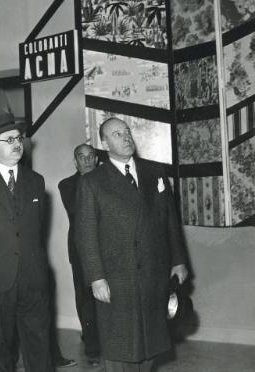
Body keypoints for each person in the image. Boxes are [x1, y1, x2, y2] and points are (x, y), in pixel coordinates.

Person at [75, 117, 189, 372]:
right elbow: (86, 235)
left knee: (150, 346)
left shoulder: (154, 173)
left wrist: (178, 260)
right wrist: (96, 278)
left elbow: (170, 221)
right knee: (121, 348)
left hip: (153, 273)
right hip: (117, 278)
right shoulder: (92, 182)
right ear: (103, 143)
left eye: (127, 132)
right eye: (116, 134)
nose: (126, 137)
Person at [0, 113, 61, 372]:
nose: (16, 143)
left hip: (33, 280)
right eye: (8, 139)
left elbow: (36, 231)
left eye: (18, 138)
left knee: (40, 348)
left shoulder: (36, 181)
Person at [58, 143, 100, 367]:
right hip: (81, 249)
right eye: (81, 157)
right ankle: (93, 348)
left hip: (109, 249)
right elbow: (79, 211)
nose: (86, 160)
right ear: (75, 162)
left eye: (90, 156)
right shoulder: (67, 185)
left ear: (96, 159)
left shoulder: (109, 181)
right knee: (86, 298)